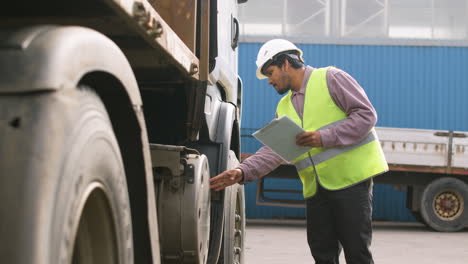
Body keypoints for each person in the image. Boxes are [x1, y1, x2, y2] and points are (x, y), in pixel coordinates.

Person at [209, 39, 388, 264]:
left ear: (285, 64)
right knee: (322, 254)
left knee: (357, 253)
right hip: (317, 190)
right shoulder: (284, 107)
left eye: (270, 73)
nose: (269, 81)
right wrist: (242, 172)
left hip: (350, 181)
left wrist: (323, 137)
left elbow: (366, 115)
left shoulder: (331, 78)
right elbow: (275, 150)